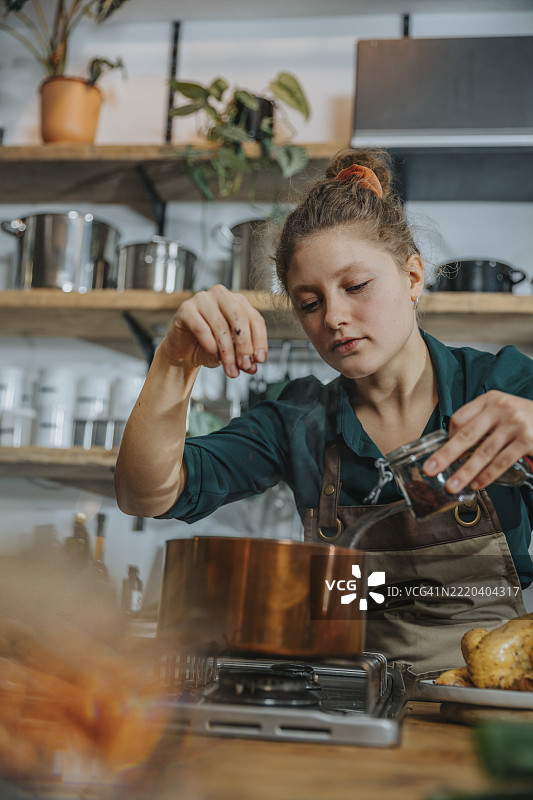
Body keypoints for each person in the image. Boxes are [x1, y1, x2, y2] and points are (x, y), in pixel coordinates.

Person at [114, 148, 533, 682]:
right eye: (309, 303)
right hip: (347, 699)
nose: (334, 317)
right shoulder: (300, 420)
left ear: (411, 277)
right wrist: (173, 363)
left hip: (493, 695)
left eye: (356, 287)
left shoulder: (503, 385)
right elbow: (145, 494)